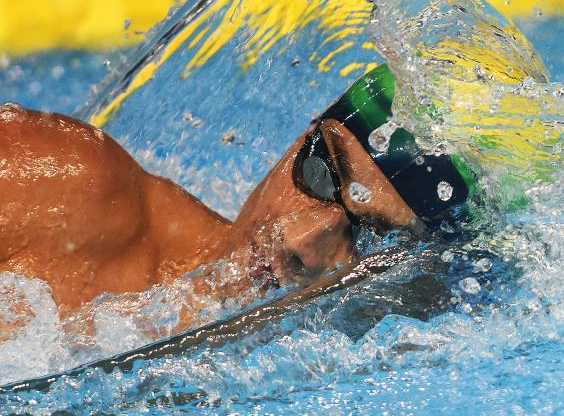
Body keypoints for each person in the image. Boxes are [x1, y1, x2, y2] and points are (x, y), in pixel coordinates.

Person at [0, 64, 474, 316]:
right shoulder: (68, 185)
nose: (301, 243)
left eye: (368, 231)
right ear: (300, 140)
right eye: (321, 175)